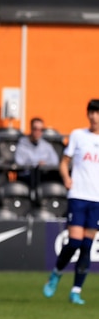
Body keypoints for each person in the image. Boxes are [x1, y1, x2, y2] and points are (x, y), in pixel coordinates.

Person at [41, 100, 99, 306]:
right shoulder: (78, 135)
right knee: (74, 242)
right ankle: (56, 273)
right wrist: (66, 178)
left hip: (96, 200)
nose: (94, 116)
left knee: (87, 245)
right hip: (78, 195)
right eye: (91, 112)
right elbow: (64, 162)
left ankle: (76, 291)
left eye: (97, 113)